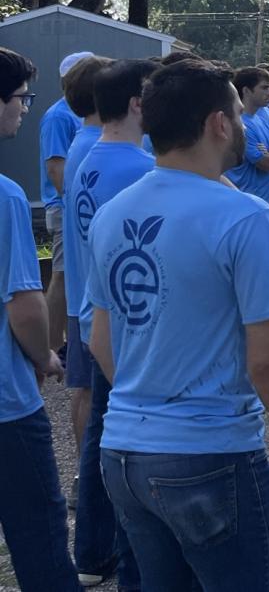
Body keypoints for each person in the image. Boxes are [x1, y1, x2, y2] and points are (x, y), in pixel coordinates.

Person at [86, 58, 269, 591]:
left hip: (124, 453)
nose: (242, 126)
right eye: (236, 115)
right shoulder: (244, 218)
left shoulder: (113, 213)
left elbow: (101, 340)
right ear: (218, 124)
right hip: (212, 454)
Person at [70, 60, 159, 592]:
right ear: (135, 103)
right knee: (125, 451)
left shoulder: (90, 156)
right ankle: (130, 563)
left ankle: (92, 551)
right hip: (125, 327)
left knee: (102, 439)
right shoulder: (137, 167)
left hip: (94, 315)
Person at [0, 46, 82, 591]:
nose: (25, 109)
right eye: (20, 98)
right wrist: (45, 354)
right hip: (6, 406)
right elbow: (24, 304)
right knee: (41, 537)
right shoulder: (5, 196)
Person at [60, 55, 109, 496]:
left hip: (82, 292)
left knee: (86, 394)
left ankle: (85, 480)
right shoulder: (99, 150)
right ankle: (89, 484)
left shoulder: (82, 143)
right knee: (93, 400)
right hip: (95, 300)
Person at [39, 50, 90, 355]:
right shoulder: (58, 115)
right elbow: (56, 166)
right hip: (63, 206)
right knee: (61, 273)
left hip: (72, 204)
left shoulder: (78, 114)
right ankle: (52, 345)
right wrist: (71, 204)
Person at [227, 67, 269, 204]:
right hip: (251, 202)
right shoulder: (242, 124)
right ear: (246, 91)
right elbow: (266, 163)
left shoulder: (262, 117)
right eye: (264, 88)